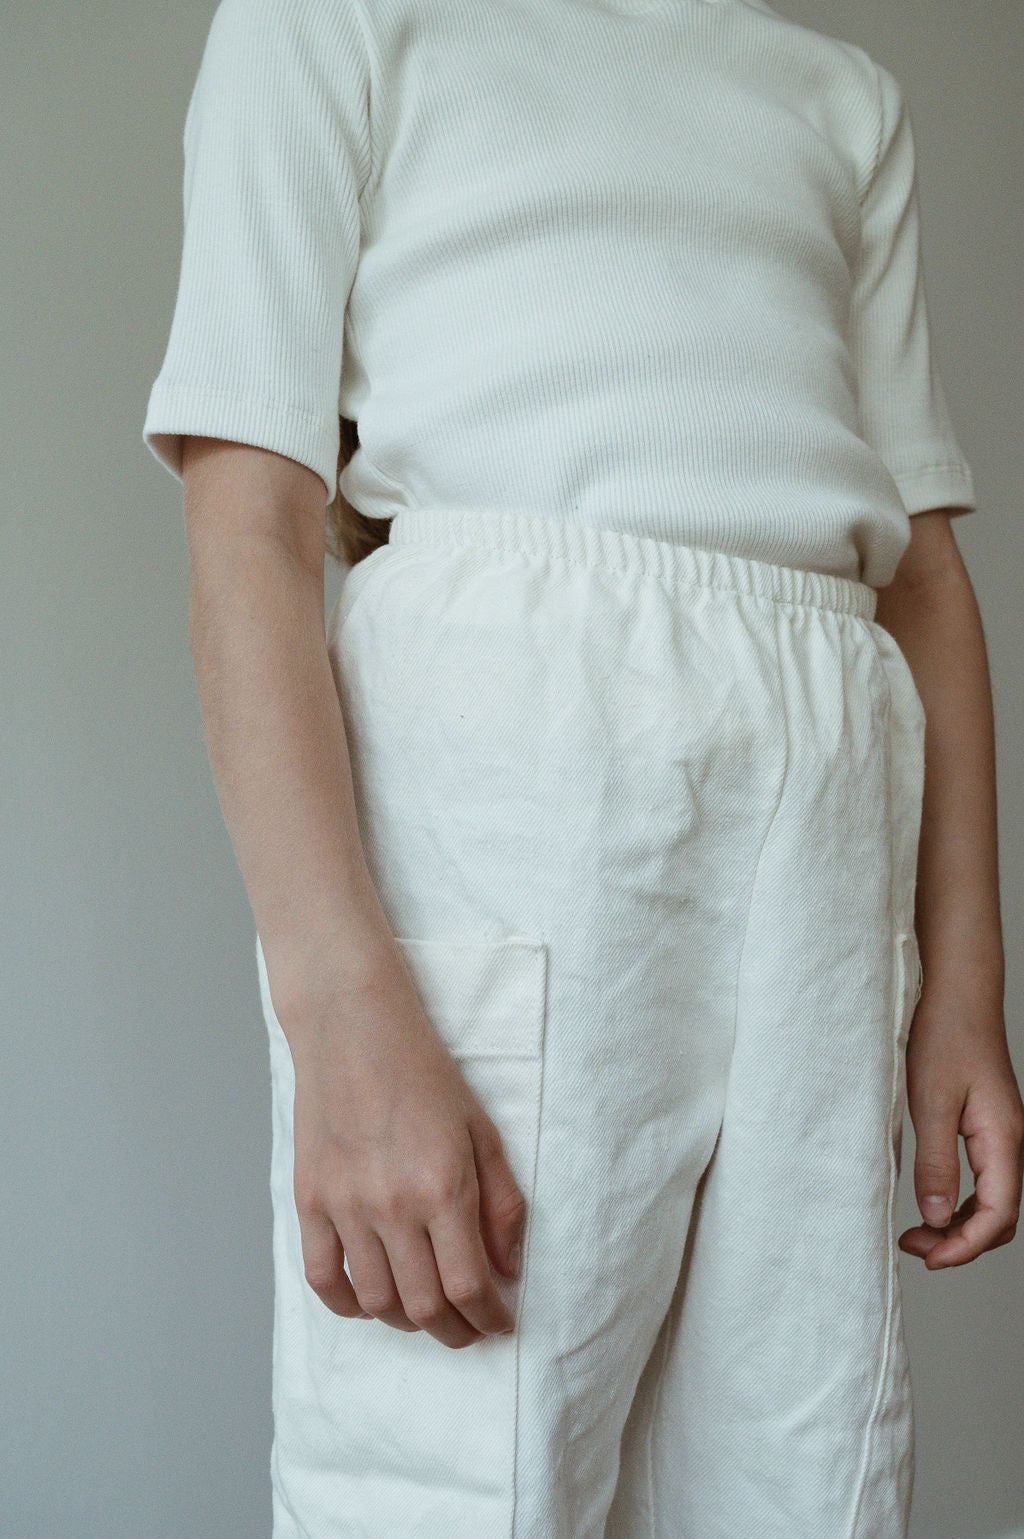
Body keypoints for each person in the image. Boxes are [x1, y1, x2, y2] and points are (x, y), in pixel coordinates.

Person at [141, 0, 1024, 1532]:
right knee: (464, 1466)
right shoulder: (327, 21)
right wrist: (342, 1019)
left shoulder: (838, 98)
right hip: (512, 766)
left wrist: (963, 990)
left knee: (801, 1470)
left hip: (825, 794)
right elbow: (253, 527)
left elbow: (926, 577)